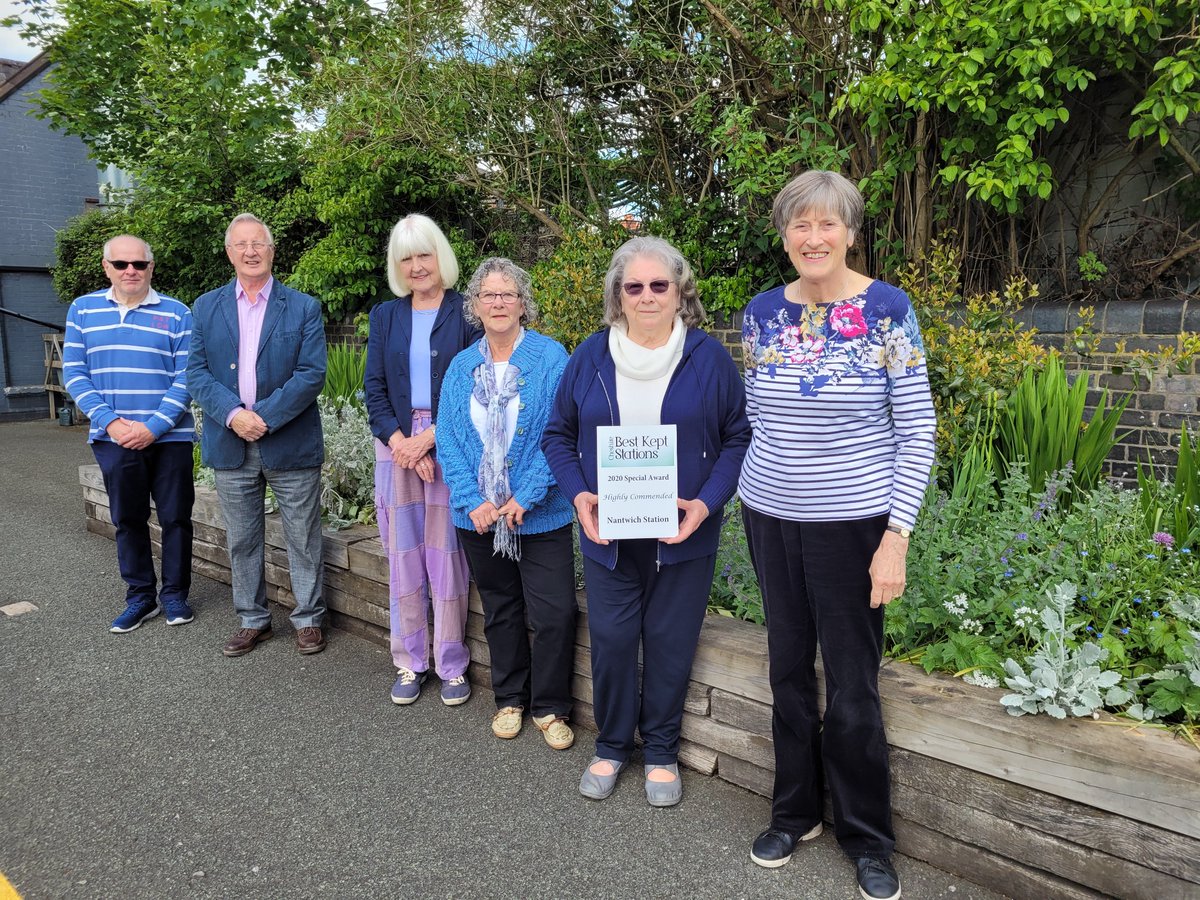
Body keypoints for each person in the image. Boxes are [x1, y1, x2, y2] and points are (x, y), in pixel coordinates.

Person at [739, 170, 937, 900]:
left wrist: (897, 538)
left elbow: (917, 432)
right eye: (800, 224)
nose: (813, 237)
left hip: (854, 527)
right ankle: (795, 812)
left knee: (852, 682)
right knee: (787, 669)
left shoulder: (888, 310)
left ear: (850, 232)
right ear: (784, 234)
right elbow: (758, 417)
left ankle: (866, 834)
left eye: (828, 224)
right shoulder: (761, 313)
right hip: (770, 516)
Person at [542, 236, 750, 807]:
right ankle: (610, 746)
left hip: (682, 536)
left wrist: (705, 503)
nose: (648, 296)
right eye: (634, 287)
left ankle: (660, 751)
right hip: (609, 537)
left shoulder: (707, 357)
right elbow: (557, 435)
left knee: (669, 640)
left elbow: (738, 438)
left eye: (660, 285)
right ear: (618, 295)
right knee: (610, 640)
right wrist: (580, 495)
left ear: (680, 291)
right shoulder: (590, 356)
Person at [436, 257, 577, 749]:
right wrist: (472, 498)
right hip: (478, 518)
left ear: (523, 303)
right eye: (488, 295)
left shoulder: (551, 357)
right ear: (475, 305)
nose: (498, 303)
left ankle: (552, 707)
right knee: (500, 609)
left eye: (508, 294)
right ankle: (511, 699)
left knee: (555, 612)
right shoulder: (461, 366)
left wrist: (527, 495)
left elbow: (561, 431)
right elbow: (449, 439)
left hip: (541, 514)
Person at [188, 213, 329, 658]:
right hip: (231, 442)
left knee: (303, 535)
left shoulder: (303, 306)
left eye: (259, 244)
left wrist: (261, 416)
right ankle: (253, 620)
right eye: (241, 244)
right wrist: (233, 415)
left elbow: (312, 373)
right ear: (229, 252)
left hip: (288, 440)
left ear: (272, 251)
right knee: (242, 538)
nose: (251, 251)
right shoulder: (205, 307)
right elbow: (195, 372)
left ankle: (308, 619)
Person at [364, 214, 480, 706]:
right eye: (406, 257)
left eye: (424, 254)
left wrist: (428, 441)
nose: (416, 266)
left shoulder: (469, 314)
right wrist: (402, 446)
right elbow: (373, 389)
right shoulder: (385, 317)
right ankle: (410, 661)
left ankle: (452, 662)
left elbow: (477, 389)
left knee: (448, 556)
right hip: (395, 448)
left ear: (441, 257)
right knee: (405, 556)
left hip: (451, 441)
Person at [63, 234, 195, 633]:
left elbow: (186, 376)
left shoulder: (176, 313)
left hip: (169, 437)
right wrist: (114, 423)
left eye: (139, 264)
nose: (131, 271)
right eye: (121, 264)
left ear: (151, 267)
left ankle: (174, 595)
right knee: (127, 518)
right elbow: (74, 374)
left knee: (176, 519)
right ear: (107, 268)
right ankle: (140, 597)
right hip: (114, 437)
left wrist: (153, 426)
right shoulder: (83, 310)